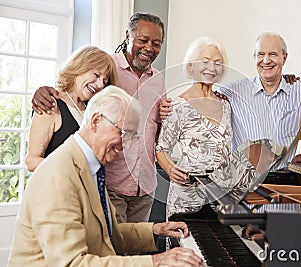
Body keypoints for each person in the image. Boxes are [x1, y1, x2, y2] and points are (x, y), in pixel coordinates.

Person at [8, 86, 204, 267]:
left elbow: (107, 235)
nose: (126, 145)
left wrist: (155, 230)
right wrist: (156, 261)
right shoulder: (58, 176)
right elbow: (72, 263)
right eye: (124, 133)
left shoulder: (91, 167)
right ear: (96, 121)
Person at [161, 32, 301, 171]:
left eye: (273, 54)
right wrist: (171, 107)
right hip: (239, 187)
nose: (267, 60)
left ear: (284, 58)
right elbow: (203, 103)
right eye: (261, 54)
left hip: (283, 188)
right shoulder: (232, 92)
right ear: (254, 57)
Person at [30, 12, 166, 223]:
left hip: (145, 185)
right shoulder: (106, 65)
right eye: (143, 40)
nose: (149, 48)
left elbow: (156, 127)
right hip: (110, 183)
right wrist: (41, 91)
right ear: (128, 36)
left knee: (137, 244)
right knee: (110, 247)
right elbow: (71, 84)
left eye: (156, 43)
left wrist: (167, 115)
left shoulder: (158, 80)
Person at [155, 37, 240, 219]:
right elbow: (161, 149)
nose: (212, 68)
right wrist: (170, 170)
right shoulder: (177, 105)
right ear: (191, 65)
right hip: (186, 195)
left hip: (221, 197)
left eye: (218, 63)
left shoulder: (226, 105)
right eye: (205, 61)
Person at [25, 46, 118, 172]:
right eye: (96, 75)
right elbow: (31, 161)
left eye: (104, 81)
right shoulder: (51, 104)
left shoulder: (91, 111)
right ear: (79, 67)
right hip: (56, 189)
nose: (100, 85)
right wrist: (70, 167)